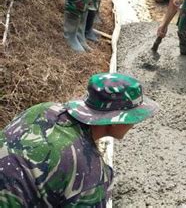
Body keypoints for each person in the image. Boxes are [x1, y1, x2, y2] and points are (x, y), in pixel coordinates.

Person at [0, 73, 158, 206]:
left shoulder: (45, 109)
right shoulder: (90, 175)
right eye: (133, 117)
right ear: (115, 120)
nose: (135, 123)